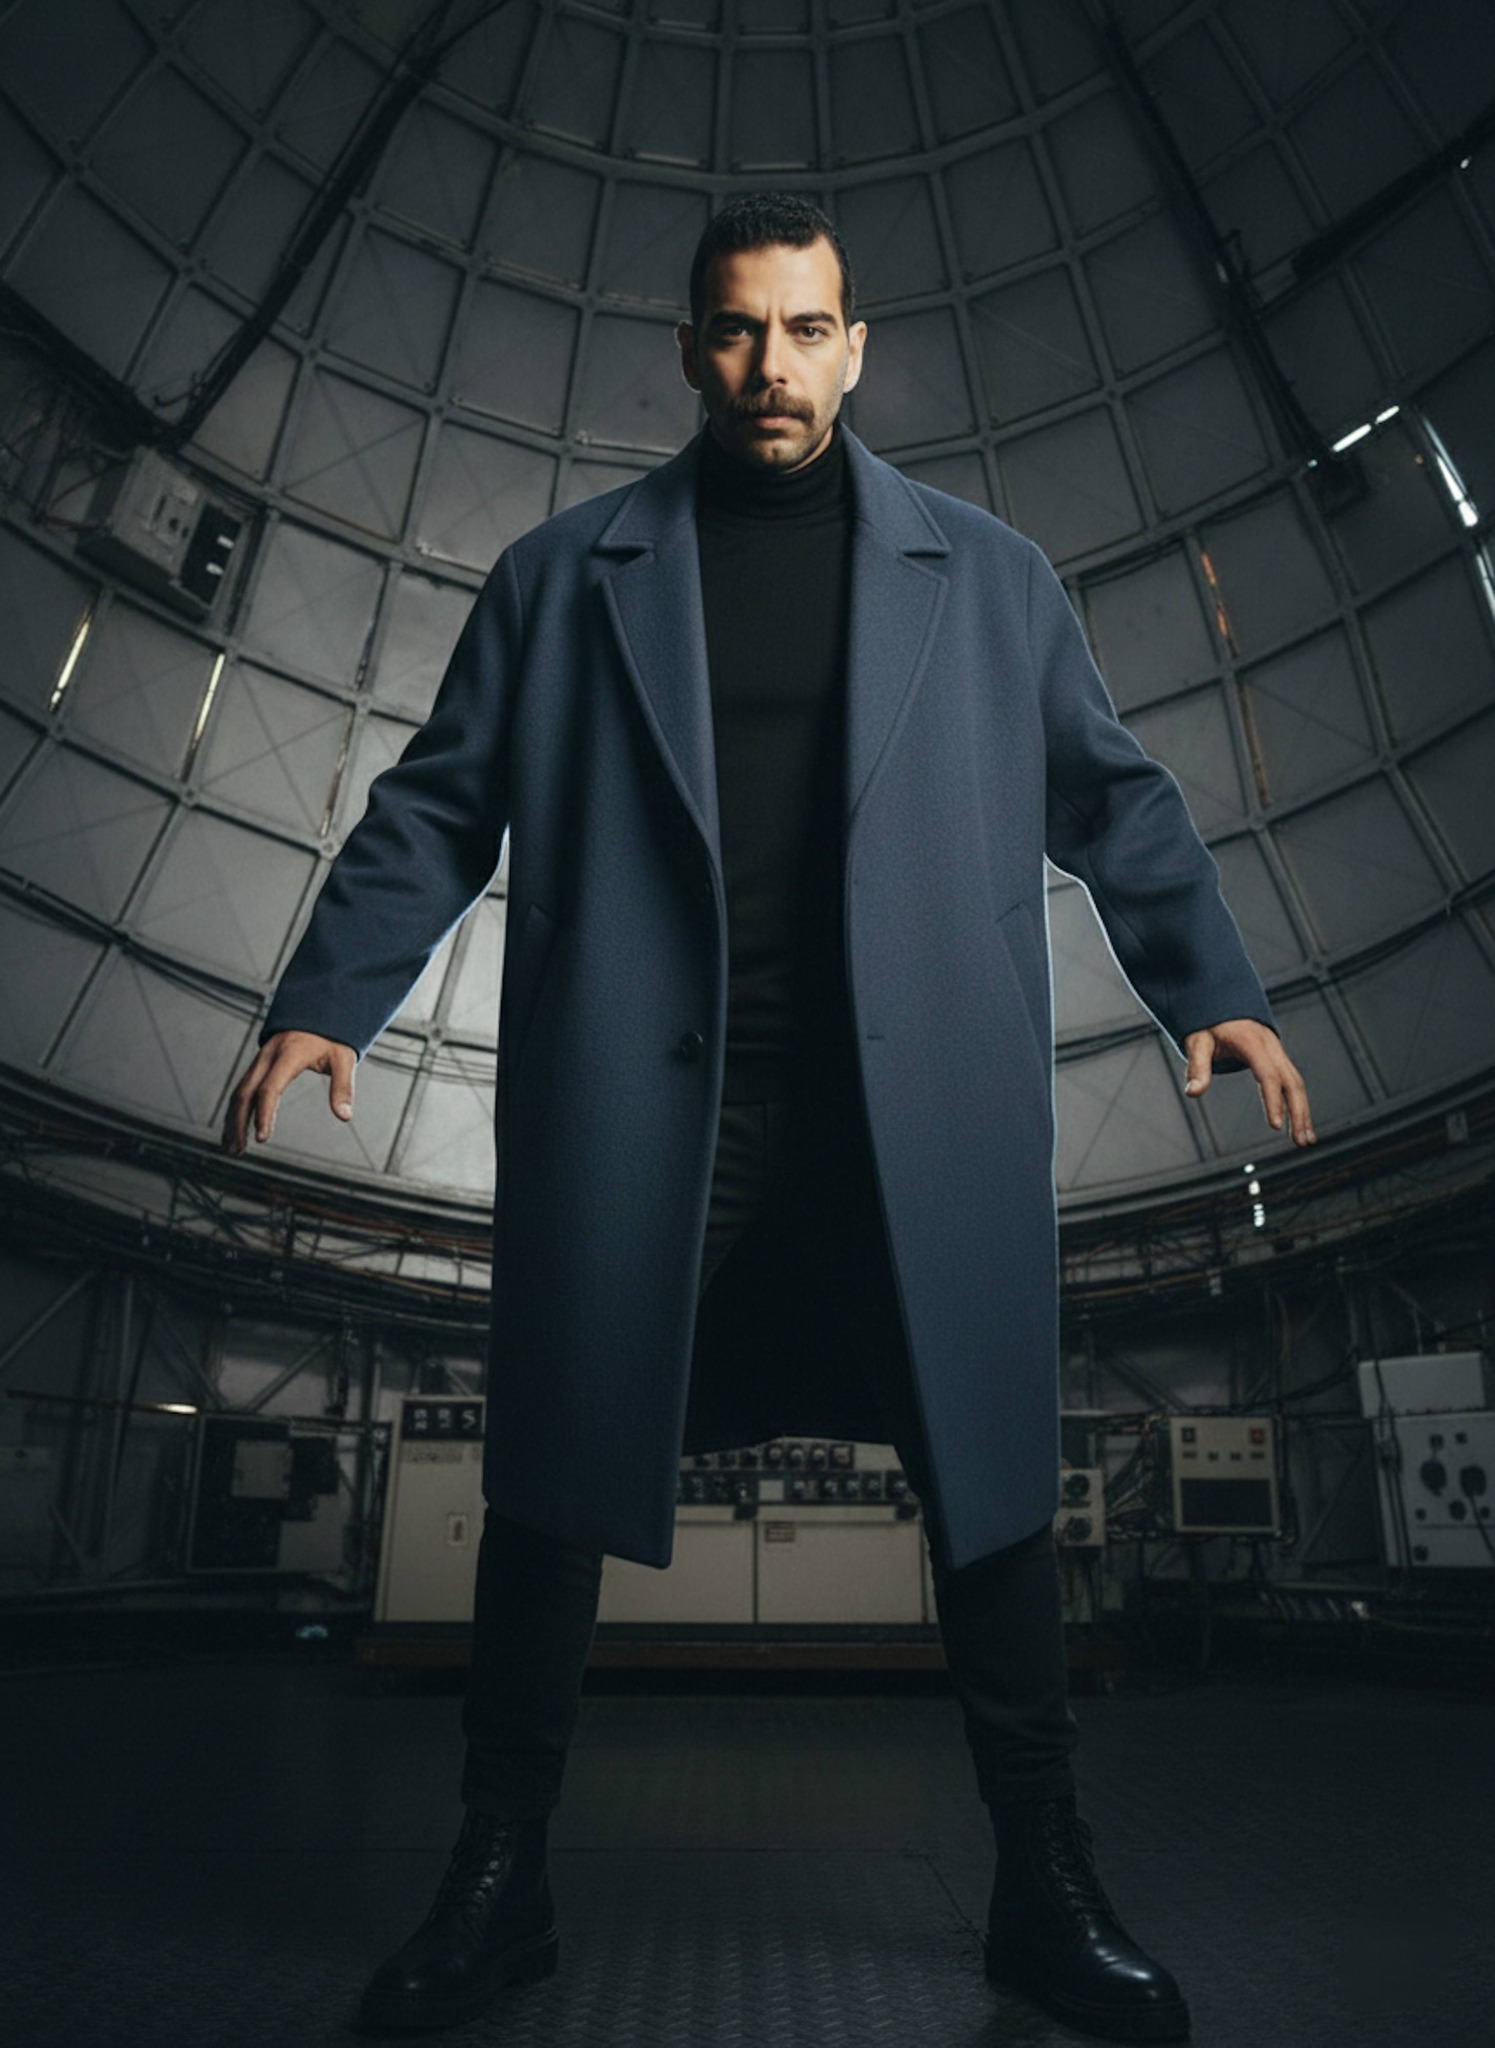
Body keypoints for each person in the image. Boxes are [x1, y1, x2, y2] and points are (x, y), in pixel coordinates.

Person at [222, 193, 1315, 2042]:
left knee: (987, 1499)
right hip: (663, 1117)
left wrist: (1206, 983)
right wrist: (330, 999)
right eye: (738, 330)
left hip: (914, 1118)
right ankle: (500, 1882)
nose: (772, 367)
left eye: (807, 331)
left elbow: (1116, 801)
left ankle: (1045, 1887)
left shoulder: (993, 580)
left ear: (858, 344)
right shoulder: (569, 579)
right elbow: (436, 804)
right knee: (555, 1489)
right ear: (689, 348)